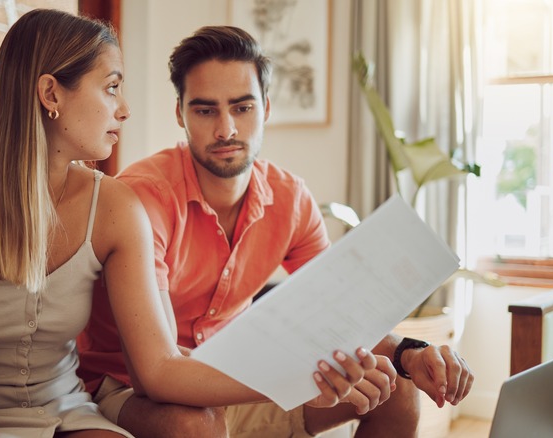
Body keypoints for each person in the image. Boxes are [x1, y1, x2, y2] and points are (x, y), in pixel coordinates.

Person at [0, 10, 377, 438]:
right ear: (50, 94)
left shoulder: (115, 207)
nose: (124, 109)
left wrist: (303, 373)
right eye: (111, 88)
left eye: (243, 107)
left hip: (67, 409)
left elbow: (160, 368)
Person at [78, 25, 475, 438]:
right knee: (194, 424)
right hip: (125, 386)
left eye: (242, 107)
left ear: (265, 107)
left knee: (397, 392)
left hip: (231, 382)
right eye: (205, 109)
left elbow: (337, 311)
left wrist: (411, 354)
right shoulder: (143, 197)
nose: (226, 129)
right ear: (180, 113)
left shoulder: (290, 199)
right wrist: (290, 382)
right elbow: (154, 375)